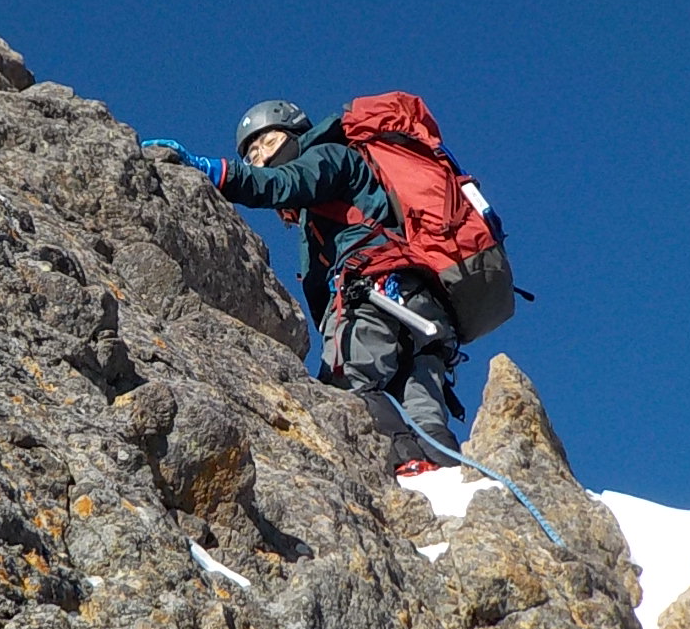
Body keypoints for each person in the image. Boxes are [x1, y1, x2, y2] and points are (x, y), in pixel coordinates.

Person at [144, 101, 461, 473]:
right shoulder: (334, 192)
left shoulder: (326, 157)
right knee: (424, 404)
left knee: (349, 391)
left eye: (269, 142)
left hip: (373, 293)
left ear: (295, 133)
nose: (260, 158)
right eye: (251, 154)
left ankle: (406, 469)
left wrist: (215, 172)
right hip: (422, 303)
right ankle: (451, 479)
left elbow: (283, 183)